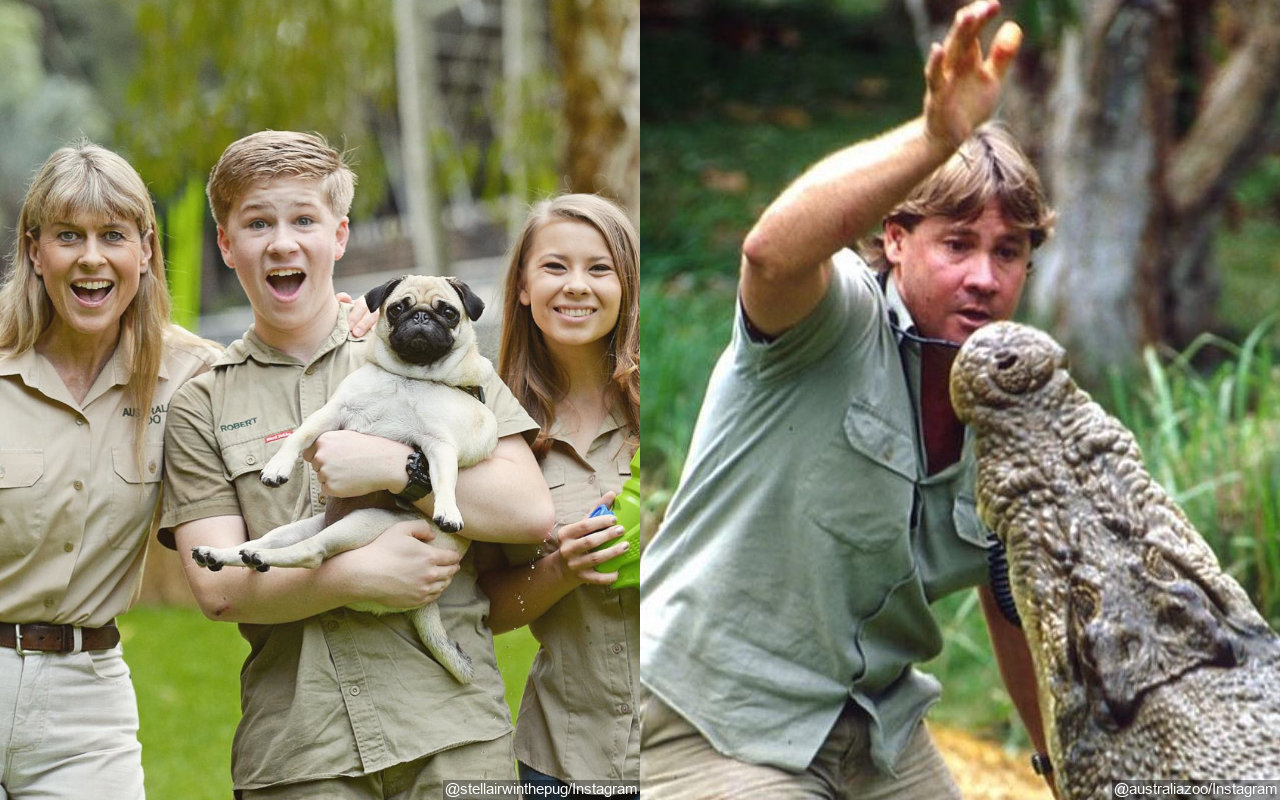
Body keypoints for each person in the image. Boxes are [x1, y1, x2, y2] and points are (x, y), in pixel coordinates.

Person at [640, 2, 1060, 798]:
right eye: (958, 243)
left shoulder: (1009, 414)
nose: (985, 276)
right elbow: (768, 251)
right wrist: (936, 139)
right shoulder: (828, 320)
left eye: (1008, 252)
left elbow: (1011, 602)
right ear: (895, 239)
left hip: (874, 729)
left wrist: (1054, 763)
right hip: (712, 722)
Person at [157, 130, 555, 799]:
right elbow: (219, 587)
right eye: (257, 224)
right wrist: (355, 574)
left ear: (338, 235)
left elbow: (528, 510)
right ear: (226, 244)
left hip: (452, 734)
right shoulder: (202, 402)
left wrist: (398, 468)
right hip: (301, 752)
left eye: (304, 220)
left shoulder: (442, 356)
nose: (283, 243)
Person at [0, 141, 220, 798]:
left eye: (113, 235)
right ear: (36, 251)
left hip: (85, 703)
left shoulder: (195, 377)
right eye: (69, 236)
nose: (92, 257)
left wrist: (359, 336)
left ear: (146, 251)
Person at [473, 194, 641, 794]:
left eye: (599, 268)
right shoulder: (493, 434)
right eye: (554, 267)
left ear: (627, 285)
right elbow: (488, 611)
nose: (577, 286)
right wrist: (562, 570)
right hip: (565, 763)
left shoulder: (673, 410)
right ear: (522, 286)